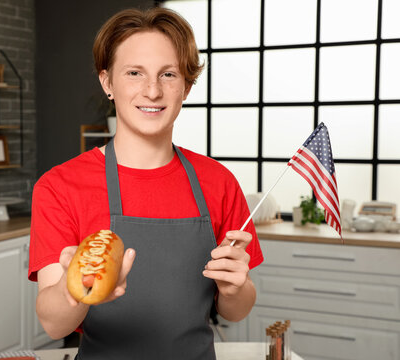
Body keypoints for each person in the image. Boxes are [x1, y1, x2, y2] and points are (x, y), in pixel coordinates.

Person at [29, 7, 263, 360]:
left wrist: (234, 289)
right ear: (108, 82)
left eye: (168, 74)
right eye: (134, 73)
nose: (152, 90)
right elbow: (54, 325)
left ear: (186, 86)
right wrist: (73, 292)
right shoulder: (59, 186)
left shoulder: (219, 182)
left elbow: (236, 310)